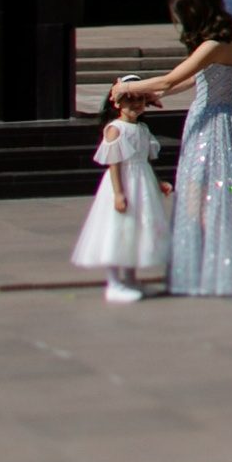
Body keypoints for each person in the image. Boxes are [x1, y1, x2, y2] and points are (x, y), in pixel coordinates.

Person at [119, 0, 232, 298]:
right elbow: (188, 81)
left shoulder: (214, 45)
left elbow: (170, 78)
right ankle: (206, 269)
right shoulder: (219, 43)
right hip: (213, 120)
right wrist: (155, 94)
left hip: (213, 124)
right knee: (201, 195)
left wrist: (127, 88)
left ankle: (213, 270)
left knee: (204, 195)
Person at [71, 87, 168, 302]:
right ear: (117, 104)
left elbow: (146, 160)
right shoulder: (116, 129)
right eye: (129, 100)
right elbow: (114, 163)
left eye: (140, 99)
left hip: (141, 182)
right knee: (119, 228)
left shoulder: (142, 129)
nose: (135, 105)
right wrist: (118, 193)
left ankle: (131, 279)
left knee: (136, 229)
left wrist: (158, 182)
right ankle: (114, 283)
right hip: (124, 182)